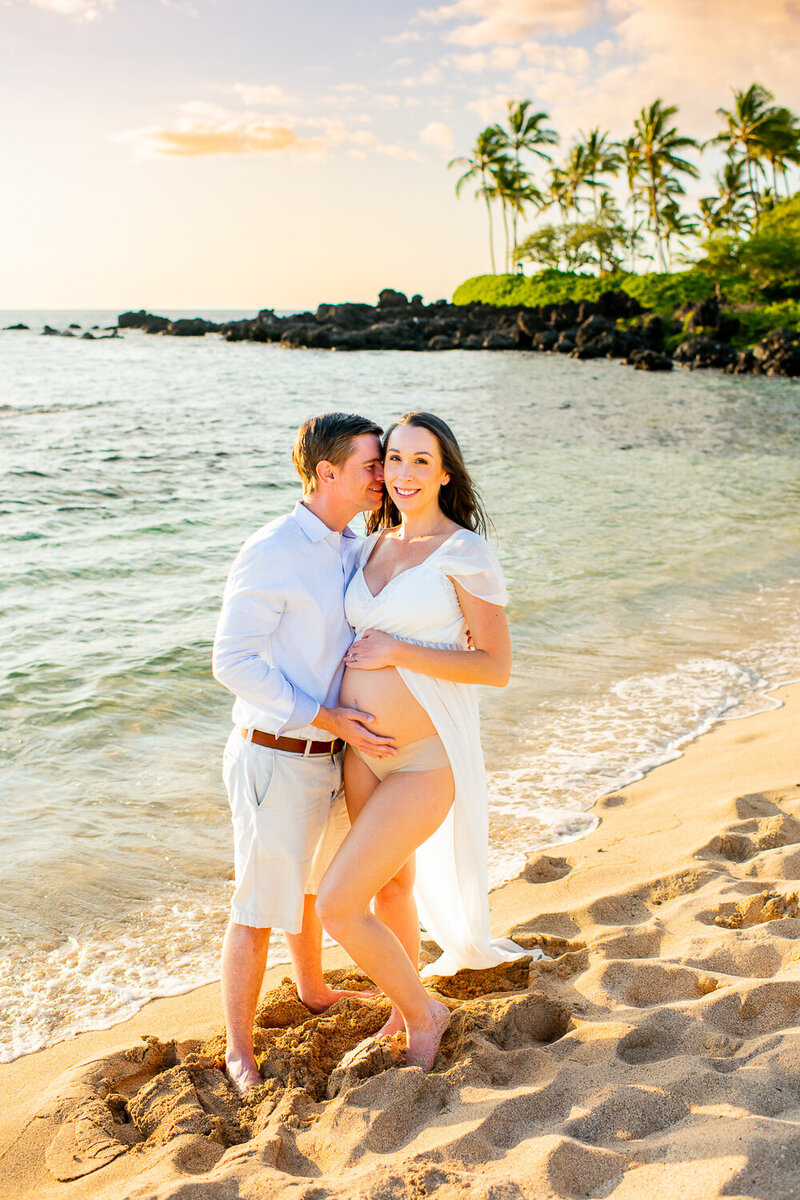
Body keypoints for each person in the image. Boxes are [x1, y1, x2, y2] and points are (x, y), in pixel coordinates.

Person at [316, 411, 531, 1072]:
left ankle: (424, 1012)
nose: (402, 474)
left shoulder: (465, 553)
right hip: (363, 754)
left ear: (444, 472)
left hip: (422, 761)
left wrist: (399, 650)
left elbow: (495, 667)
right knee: (391, 893)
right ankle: (396, 1008)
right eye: (393, 460)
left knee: (337, 905)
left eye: (418, 461)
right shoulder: (372, 543)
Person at [211, 411, 397, 1095]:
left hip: (334, 757)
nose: (383, 476)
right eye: (371, 465)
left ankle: (314, 990)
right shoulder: (273, 549)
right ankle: (237, 1048)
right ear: (326, 473)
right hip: (276, 754)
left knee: (317, 888)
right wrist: (325, 714)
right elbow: (231, 662)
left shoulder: (349, 544)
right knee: (259, 907)